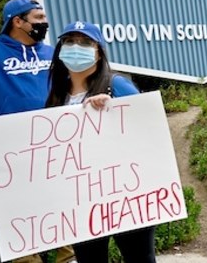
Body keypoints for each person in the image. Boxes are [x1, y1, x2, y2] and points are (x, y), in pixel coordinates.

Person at [44, 21, 155, 263]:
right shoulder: (56, 94)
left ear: (98, 52)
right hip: (81, 201)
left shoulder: (116, 85)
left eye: (85, 43)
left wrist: (114, 109)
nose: (76, 47)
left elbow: (149, 129)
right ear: (60, 49)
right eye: (70, 41)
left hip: (126, 194)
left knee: (139, 259)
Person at [0, 0, 76, 263]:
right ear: (17, 21)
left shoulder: (52, 53)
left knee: (63, 208)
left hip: (54, 146)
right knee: (17, 218)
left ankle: (67, 258)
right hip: (6, 154)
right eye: (38, 18)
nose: (44, 23)